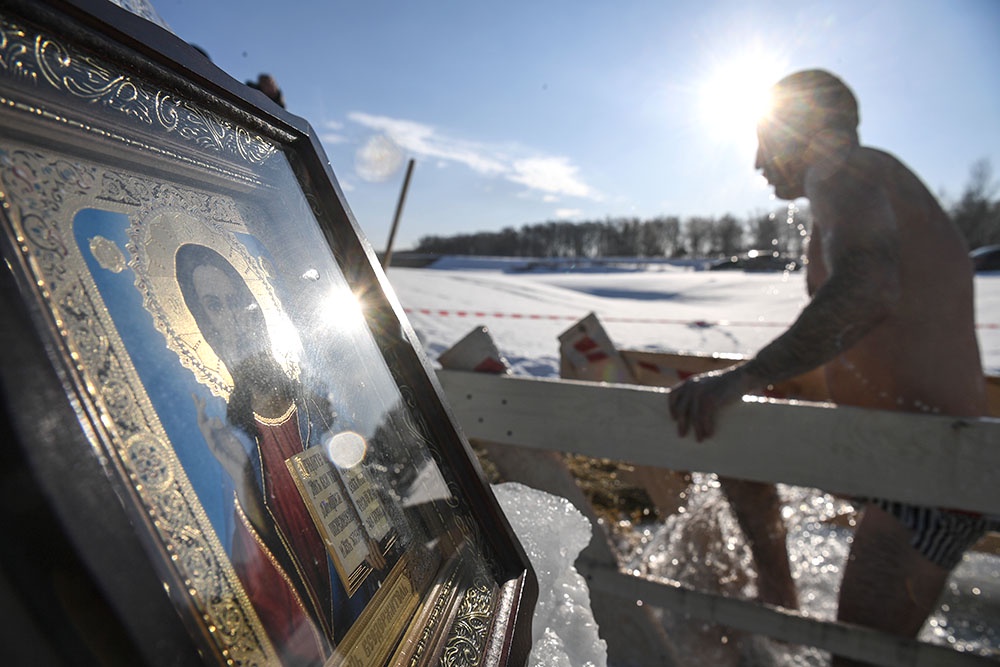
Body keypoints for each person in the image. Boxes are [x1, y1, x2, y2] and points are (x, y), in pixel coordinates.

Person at [668, 69, 989, 664]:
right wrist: (763, 383)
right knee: (742, 434)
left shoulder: (842, 170)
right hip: (897, 449)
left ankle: (778, 598)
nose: (758, 162)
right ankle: (778, 594)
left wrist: (743, 376)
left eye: (765, 140)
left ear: (805, 132)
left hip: (931, 469)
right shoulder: (865, 182)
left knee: (854, 658)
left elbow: (869, 289)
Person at [177, 244, 386, 665]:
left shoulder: (309, 402)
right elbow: (254, 567)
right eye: (215, 306)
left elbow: (357, 477)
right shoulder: (230, 431)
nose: (234, 317)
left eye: (237, 300)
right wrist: (239, 475)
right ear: (202, 323)